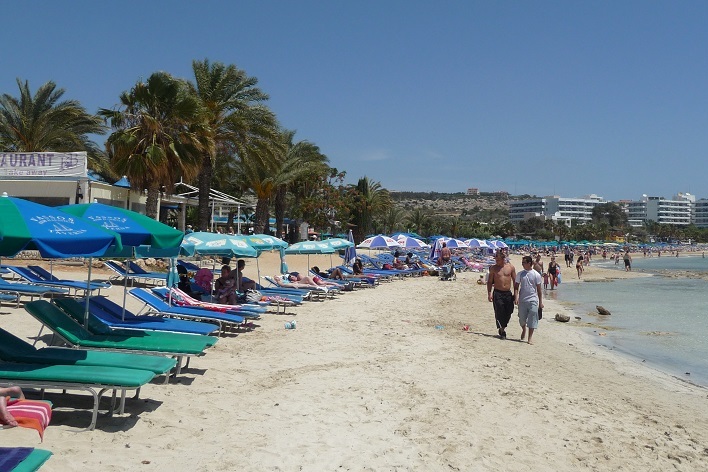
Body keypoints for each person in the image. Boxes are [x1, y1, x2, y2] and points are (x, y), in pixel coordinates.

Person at [487, 249, 517, 339]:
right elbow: (489, 282)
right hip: (497, 293)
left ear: (503, 259)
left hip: (507, 293)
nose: (497, 262)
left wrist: (516, 294)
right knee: (499, 311)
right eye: (496, 260)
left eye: (498, 260)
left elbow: (515, 281)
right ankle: (502, 330)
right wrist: (489, 293)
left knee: (509, 311)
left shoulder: (510, 267)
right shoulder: (493, 268)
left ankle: (502, 327)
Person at [514, 256, 543, 345]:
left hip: (533, 300)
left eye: (524, 263)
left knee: (533, 319)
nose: (522, 264)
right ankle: (523, 329)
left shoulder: (536, 274)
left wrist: (540, 303)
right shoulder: (520, 274)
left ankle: (529, 338)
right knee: (522, 319)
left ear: (529, 263)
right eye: (522, 263)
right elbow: (516, 287)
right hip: (522, 300)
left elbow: (539, 290)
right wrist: (516, 297)